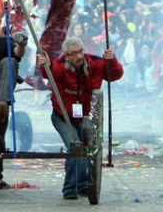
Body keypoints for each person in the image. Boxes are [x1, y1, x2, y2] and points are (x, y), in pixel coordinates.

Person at [35, 36, 122, 200]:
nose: (79, 56)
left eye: (81, 51)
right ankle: (69, 188)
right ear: (66, 56)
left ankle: (82, 185)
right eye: (74, 53)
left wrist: (111, 61)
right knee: (75, 147)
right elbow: (51, 73)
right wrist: (44, 64)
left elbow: (114, 75)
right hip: (63, 117)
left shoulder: (95, 63)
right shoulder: (60, 66)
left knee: (84, 149)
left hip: (85, 117)